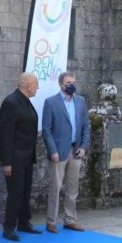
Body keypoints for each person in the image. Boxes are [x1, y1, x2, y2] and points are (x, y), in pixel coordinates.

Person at [42, 71, 90, 233]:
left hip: (76, 150)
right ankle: (51, 221)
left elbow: (85, 126)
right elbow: (46, 130)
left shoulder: (81, 101)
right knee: (55, 187)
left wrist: (83, 146)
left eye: (74, 82)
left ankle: (70, 219)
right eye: (69, 83)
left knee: (72, 187)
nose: (72, 85)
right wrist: (52, 150)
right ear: (61, 84)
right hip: (58, 152)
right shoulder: (51, 102)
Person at [0, 72, 41, 241]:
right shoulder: (11, 102)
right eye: (35, 84)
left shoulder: (25, 102)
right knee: (15, 193)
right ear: (26, 84)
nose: (37, 87)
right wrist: (6, 162)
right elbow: (6, 135)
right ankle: (8, 227)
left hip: (27, 157)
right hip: (15, 159)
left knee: (26, 191)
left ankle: (24, 222)